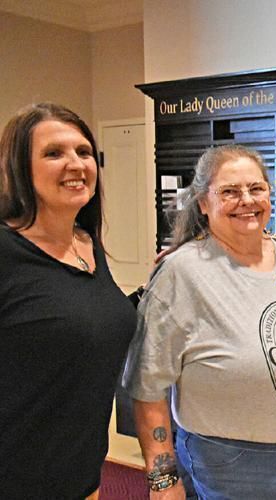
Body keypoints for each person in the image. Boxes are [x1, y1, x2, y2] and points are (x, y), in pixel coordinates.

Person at [123, 145, 276, 498]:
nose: (247, 200)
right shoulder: (183, 272)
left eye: (256, 188)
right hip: (236, 469)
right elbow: (147, 388)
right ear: (203, 203)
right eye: (229, 192)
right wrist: (163, 482)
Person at [0, 102, 136, 498]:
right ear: (19, 168)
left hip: (82, 477)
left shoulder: (86, 243)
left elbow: (85, 321)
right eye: (53, 153)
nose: (75, 163)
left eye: (84, 152)